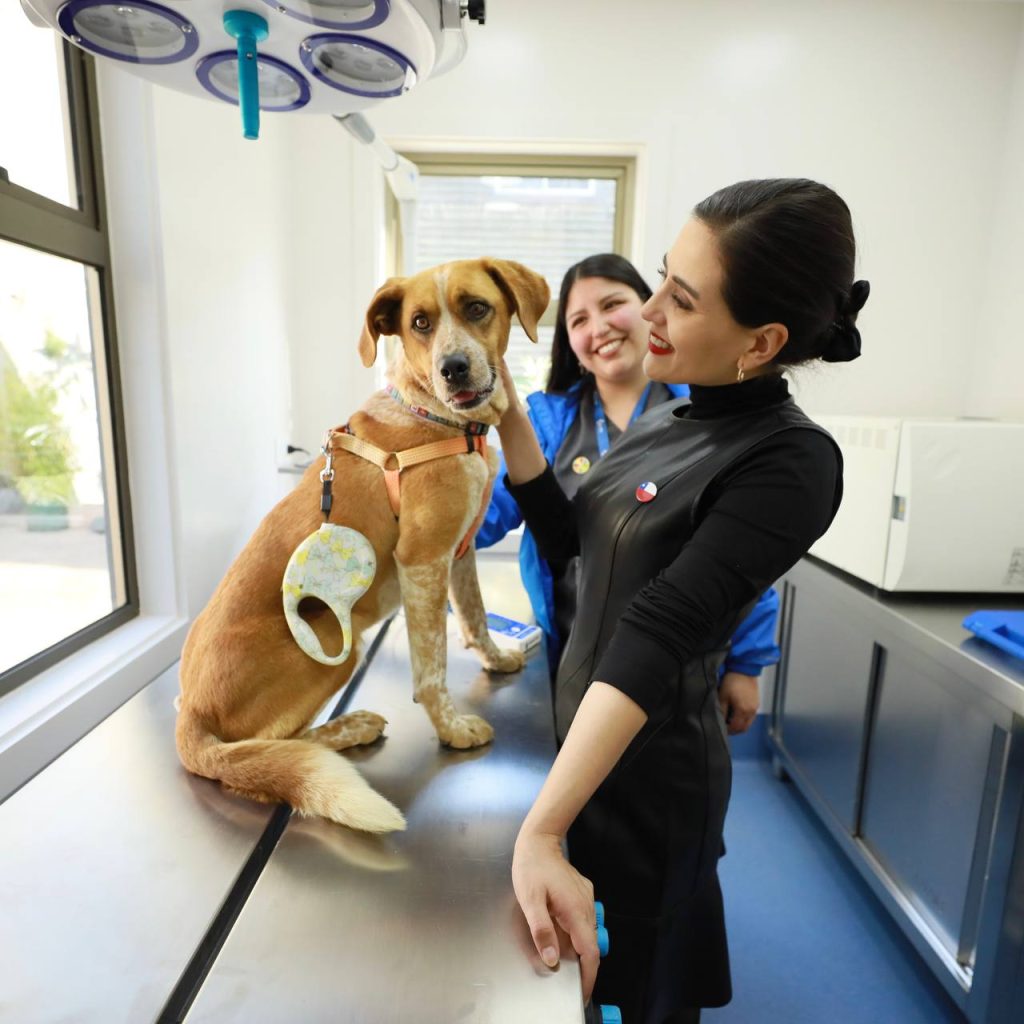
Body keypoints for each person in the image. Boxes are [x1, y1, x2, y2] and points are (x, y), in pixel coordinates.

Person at [499, 178, 868, 1023]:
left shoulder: (790, 462)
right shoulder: (674, 417)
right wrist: (509, 415)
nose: (647, 312)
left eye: (681, 297)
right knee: (581, 990)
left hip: (649, 784)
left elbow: (663, 626)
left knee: (652, 992)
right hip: (583, 751)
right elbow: (570, 547)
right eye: (661, 277)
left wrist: (543, 827)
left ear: (760, 341)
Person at [476, 254, 779, 736]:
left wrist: (747, 663)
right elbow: (482, 517)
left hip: (684, 663)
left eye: (612, 304)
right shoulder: (545, 424)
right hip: (574, 656)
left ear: (650, 309)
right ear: (571, 345)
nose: (598, 327)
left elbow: (746, 553)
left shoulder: (707, 416)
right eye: (578, 319)